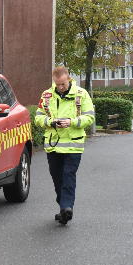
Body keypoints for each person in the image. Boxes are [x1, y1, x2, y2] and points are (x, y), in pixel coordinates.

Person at [34, 66, 95, 225]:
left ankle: (67, 207)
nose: (60, 87)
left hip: (73, 145)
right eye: (57, 84)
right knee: (57, 178)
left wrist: (72, 122)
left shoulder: (81, 95)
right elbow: (38, 118)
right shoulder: (47, 95)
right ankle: (63, 208)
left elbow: (90, 118)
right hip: (53, 146)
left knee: (68, 176)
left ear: (68, 78)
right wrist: (51, 122)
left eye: (63, 84)